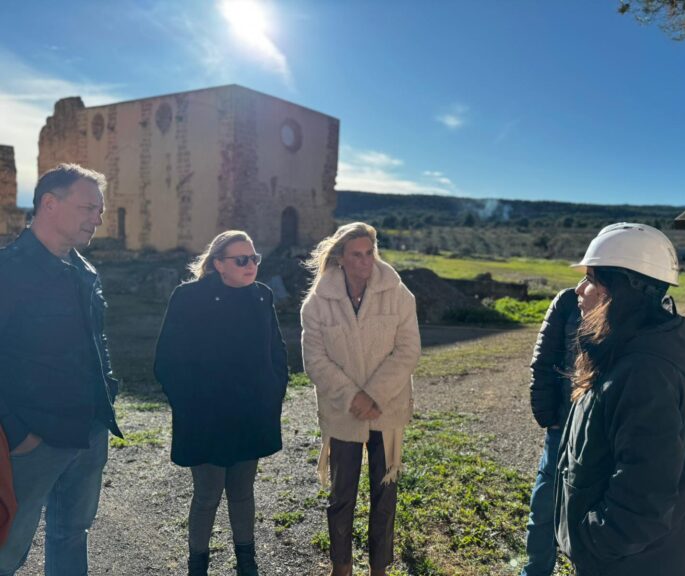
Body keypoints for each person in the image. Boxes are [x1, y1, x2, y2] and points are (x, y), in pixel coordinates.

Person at [554, 223, 685, 576]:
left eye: (592, 279)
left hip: (627, 565)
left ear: (623, 291)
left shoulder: (646, 373)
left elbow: (644, 501)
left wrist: (592, 543)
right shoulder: (622, 351)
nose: (579, 289)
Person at [0, 163, 122, 575]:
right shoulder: (8, 271)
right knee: (5, 549)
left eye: (100, 210)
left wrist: (107, 394)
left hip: (88, 433)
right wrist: (18, 433)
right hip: (32, 442)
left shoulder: (86, 271)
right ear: (49, 204)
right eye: (89, 207)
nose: (98, 218)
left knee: (71, 534)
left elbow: (97, 344)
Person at [154, 230, 288, 576]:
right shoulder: (189, 298)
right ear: (218, 264)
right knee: (208, 494)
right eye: (241, 259)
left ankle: (247, 562)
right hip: (206, 418)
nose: (250, 265)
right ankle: (198, 563)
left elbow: (277, 353)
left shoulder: (262, 296)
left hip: (251, 415)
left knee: (243, 492)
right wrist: (189, 408)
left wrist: (274, 394)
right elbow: (167, 361)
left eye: (254, 258)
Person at [300, 222, 421, 576]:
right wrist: (354, 397)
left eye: (370, 252)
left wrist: (373, 395)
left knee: (385, 496)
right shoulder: (318, 303)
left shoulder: (399, 294)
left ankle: (379, 567)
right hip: (343, 412)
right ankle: (341, 565)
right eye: (357, 254)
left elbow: (408, 350)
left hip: (387, 409)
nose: (366, 260)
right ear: (340, 257)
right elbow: (315, 360)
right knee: (342, 496)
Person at [521, 287, 580, 576]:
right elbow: (543, 360)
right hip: (563, 425)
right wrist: (549, 416)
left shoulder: (632, 309)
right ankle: (535, 571)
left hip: (605, 433)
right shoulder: (569, 300)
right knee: (544, 507)